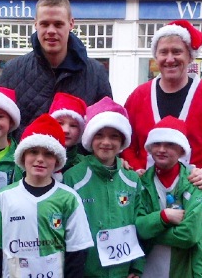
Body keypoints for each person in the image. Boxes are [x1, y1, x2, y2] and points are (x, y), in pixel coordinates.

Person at [122, 20, 202, 235]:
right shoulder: (138, 96)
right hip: (145, 198)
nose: (170, 59)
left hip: (193, 199)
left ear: (190, 56)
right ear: (156, 57)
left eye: (177, 51)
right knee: (144, 263)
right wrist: (134, 168)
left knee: (190, 260)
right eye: (163, 52)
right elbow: (126, 143)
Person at [0, 113, 94, 278]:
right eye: (33, 152)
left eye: (48, 154)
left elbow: (76, 253)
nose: (40, 159)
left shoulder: (69, 198)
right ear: (23, 156)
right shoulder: (4, 197)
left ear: (57, 160)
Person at [0, 0, 113, 140]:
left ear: (71, 24)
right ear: (35, 24)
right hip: (25, 162)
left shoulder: (96, 73)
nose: (51, 31)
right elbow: (1, 127)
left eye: (58, 24)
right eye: (45, 24)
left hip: (78, 162)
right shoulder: (12, 71)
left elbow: (105, 127)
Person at [64, 97, 145, 278]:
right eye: (99, 135)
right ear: (90, 138)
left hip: (123, 272)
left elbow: (140, 224)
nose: (106, 142)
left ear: (123, 140)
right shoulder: (73, 177)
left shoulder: (132, 179)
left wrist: (137, 267)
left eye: (114, 136)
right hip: (85, 272)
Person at [135, 116, 202, 278]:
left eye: (169, 144)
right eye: (157, 144)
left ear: (182, 150)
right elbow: (138, 227)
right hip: (146, 267)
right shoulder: (140, 183)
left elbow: (189, 235)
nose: (161, 149)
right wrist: (163, 217)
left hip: (183, 268)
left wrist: (151, 231)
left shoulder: (195, 182)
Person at [49, 92, 87, 174]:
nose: (66, 130)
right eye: (60, 123)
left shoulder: (85, 166)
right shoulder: (36, 159)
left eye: (73, 125)